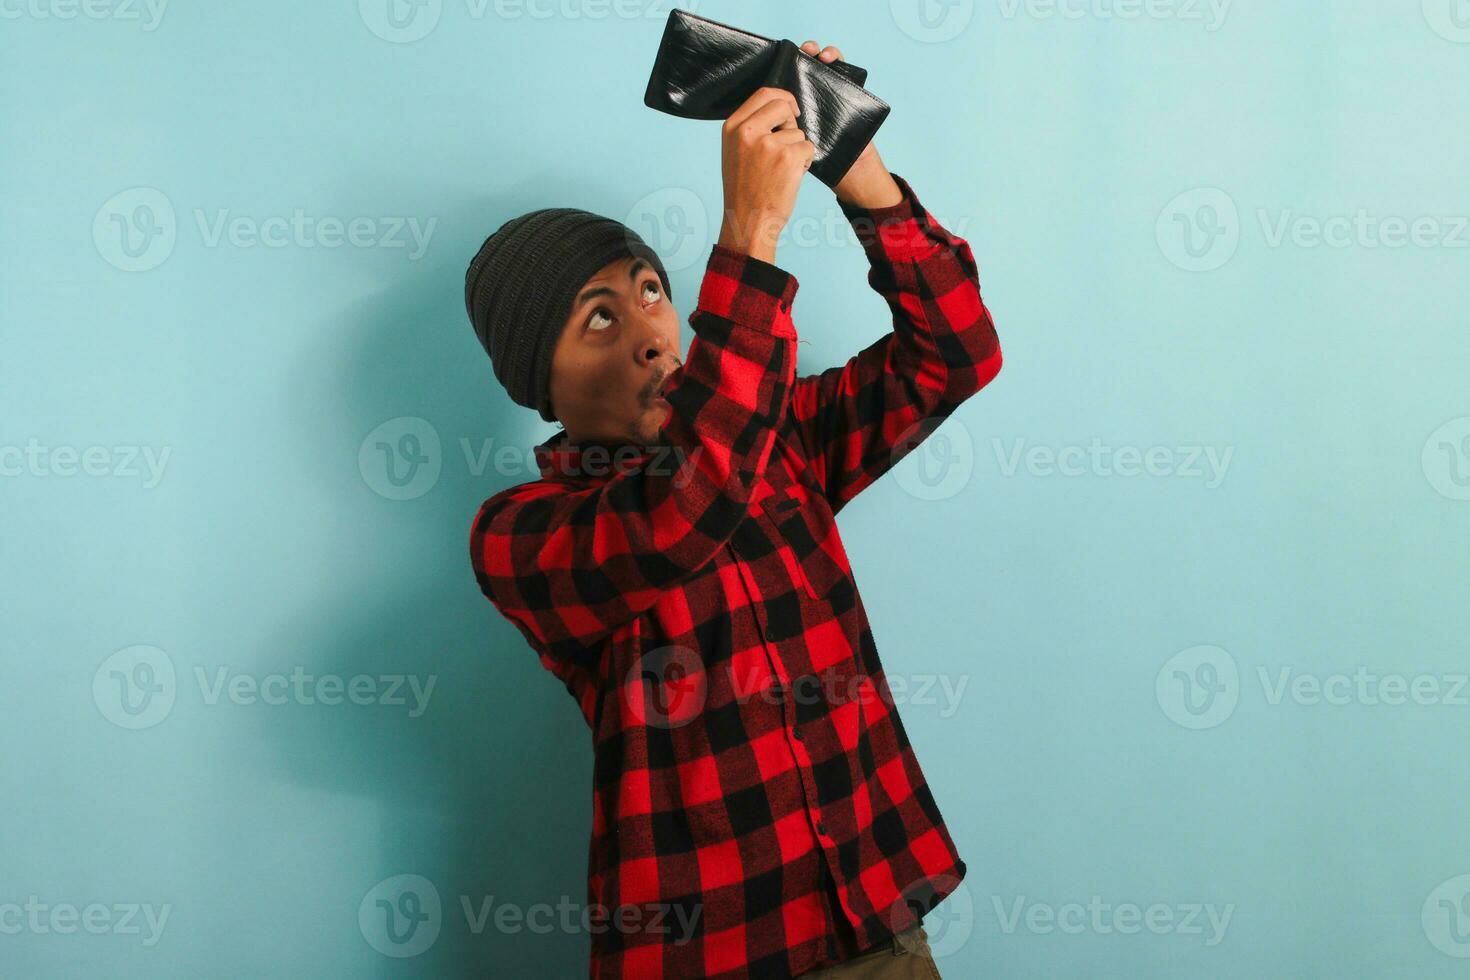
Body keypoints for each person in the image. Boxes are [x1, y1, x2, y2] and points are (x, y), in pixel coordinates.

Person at [465, 40, 1002, 980]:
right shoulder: (520, 536)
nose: (649, 337)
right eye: (599, 318)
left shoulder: (780, 439)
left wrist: (853, 162)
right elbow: (687, 509)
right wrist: (749, 230)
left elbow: (955, 355)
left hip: (877, 927)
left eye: (650, 294)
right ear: (535, 384)